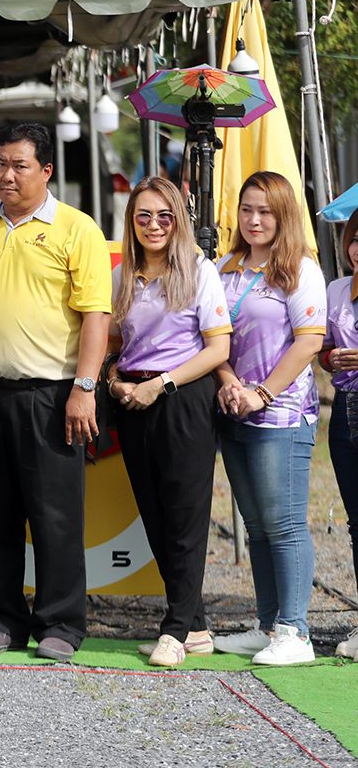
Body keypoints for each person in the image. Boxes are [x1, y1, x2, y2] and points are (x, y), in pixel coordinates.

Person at [0, 122, 111, 663]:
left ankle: (60, 625)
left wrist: (84, 388)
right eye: (1, 164)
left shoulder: (77, 229)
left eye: (20, 166)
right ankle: (0, 622)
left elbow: (96, 317)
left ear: (46, 170)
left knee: (55, 518)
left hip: (53, 395)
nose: (8, 175)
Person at [104, 178, 231, 667]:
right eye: (143, 216)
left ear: (178, 220)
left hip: (181, 398)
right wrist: (114, 381)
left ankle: (174, 631)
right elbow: (115, 344)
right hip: (134, 402)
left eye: (164, 216)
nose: (153, 225)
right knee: (156, 517)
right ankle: (195, 626)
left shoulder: (199, 271)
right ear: (131, 221)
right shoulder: (123, 275)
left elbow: (218, 349)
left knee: (185, 517)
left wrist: (162, 385)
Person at [212, 171, 324, 665]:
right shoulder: (225, 266)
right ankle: (268, 626)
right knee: (256, 525)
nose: (254, 220)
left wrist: (261, 393)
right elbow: (211, 338)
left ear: (284, 215)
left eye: (266, 211)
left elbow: (310, 341)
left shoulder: (300, 269)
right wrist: (228, 382)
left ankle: (296, 633)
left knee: (284, 523)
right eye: (247, 209)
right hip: (233, 408)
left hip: (281, 414)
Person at [322, 211, 358, 660]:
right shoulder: (335, 290)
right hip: (345, 409)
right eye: (355, 239)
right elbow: (324, 348)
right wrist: (331, 359)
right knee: (356, 523)